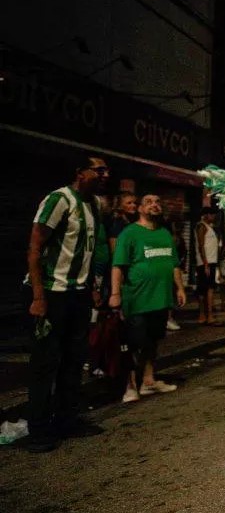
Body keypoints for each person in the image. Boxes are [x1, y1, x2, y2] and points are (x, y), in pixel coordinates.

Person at [24, 155, 109, 453]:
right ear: (80, 173)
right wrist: (38, 296)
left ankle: (67, 420)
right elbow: (35, 248)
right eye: (98, 170)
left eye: (106, 171)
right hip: (52, 292)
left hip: (80, 293)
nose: (104, 175)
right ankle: (38, 428)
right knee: (46, 362)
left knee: (74, 360)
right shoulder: (60, 200)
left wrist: (94, 288)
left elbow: (90, 250)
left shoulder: (96, 205)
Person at [110, 193, 186, 402]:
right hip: (137, 299)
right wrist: (115, 294)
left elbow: (174, 265)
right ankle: (131, 385)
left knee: (153, 342)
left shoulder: (164, 234)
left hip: (160, 300)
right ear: (140, 209)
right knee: (135, 345)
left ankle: (148, 381)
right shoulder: (130, 233)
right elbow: (118, 266)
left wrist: (180, 288)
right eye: (149, 202)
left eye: (157, 201)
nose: (154, 205)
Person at [194, 207, 220, 324]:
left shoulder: (210, 227)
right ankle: (205, 315)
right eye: (211, 214)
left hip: (211, 262)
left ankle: (208, 315)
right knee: (205, 290)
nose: (213, 217)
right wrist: (205, 263)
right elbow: (201, 245)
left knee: (208, 289)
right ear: (205, 215)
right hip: (206, 263)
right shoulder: (202, 226)